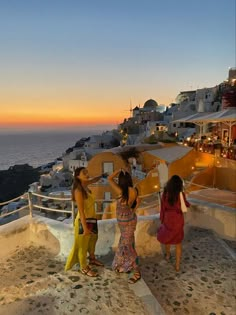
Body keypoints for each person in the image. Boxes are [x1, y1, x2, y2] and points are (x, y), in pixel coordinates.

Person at [65, 167, 105, 277]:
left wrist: (102, 175)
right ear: (78, 176)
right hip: (84, 221)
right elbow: (81, 212)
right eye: (84, 173)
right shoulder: (78, 190)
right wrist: (85, 228)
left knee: (93, 241)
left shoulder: (85, 184)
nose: (87, 174)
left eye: (87, 172)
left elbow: (94, 179)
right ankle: (84, 267)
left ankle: (92, 259)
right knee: (83, 246)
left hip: (92, 219)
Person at [108, 168, 141, 284]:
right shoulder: (133, 190)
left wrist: (118, 171)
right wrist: (134, 209)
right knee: (126, 243)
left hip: (127, 223)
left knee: (128, 246)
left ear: (121, 181)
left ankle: (137, 271)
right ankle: (123, 265)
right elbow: (135, 205)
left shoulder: (121, 191)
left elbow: (109, 178)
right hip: (129, 220)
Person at [157, 175, 190, 272]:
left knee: (168, 239)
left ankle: (167, 255)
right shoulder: (181, 194)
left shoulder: (165, 193)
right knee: (178, 243)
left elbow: (163, 207)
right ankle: (177, 266)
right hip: (178, 220)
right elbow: (185, 205)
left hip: (168, 219)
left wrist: (162, 219)